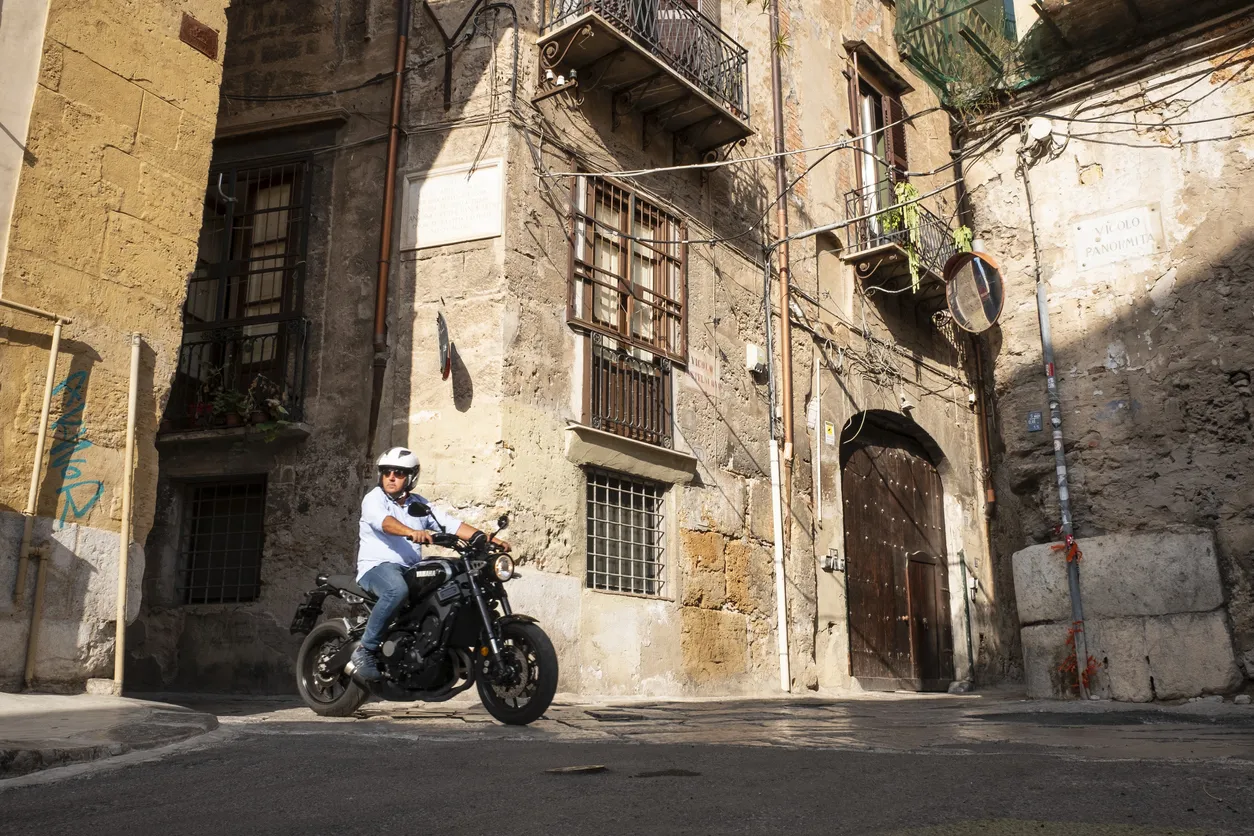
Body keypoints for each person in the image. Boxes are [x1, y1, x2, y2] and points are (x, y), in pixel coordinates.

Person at [350, 447, 510, 682]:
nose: (391, 477)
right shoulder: (374, 498)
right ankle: (366, 650)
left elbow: (449, 524)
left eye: (399, 473)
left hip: (410, 569)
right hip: (378, 567)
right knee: (396, 590)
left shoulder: (419, 504)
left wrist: (486, 538)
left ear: (411, 477)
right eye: (386, 472)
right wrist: (411, 532)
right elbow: (384, 523)